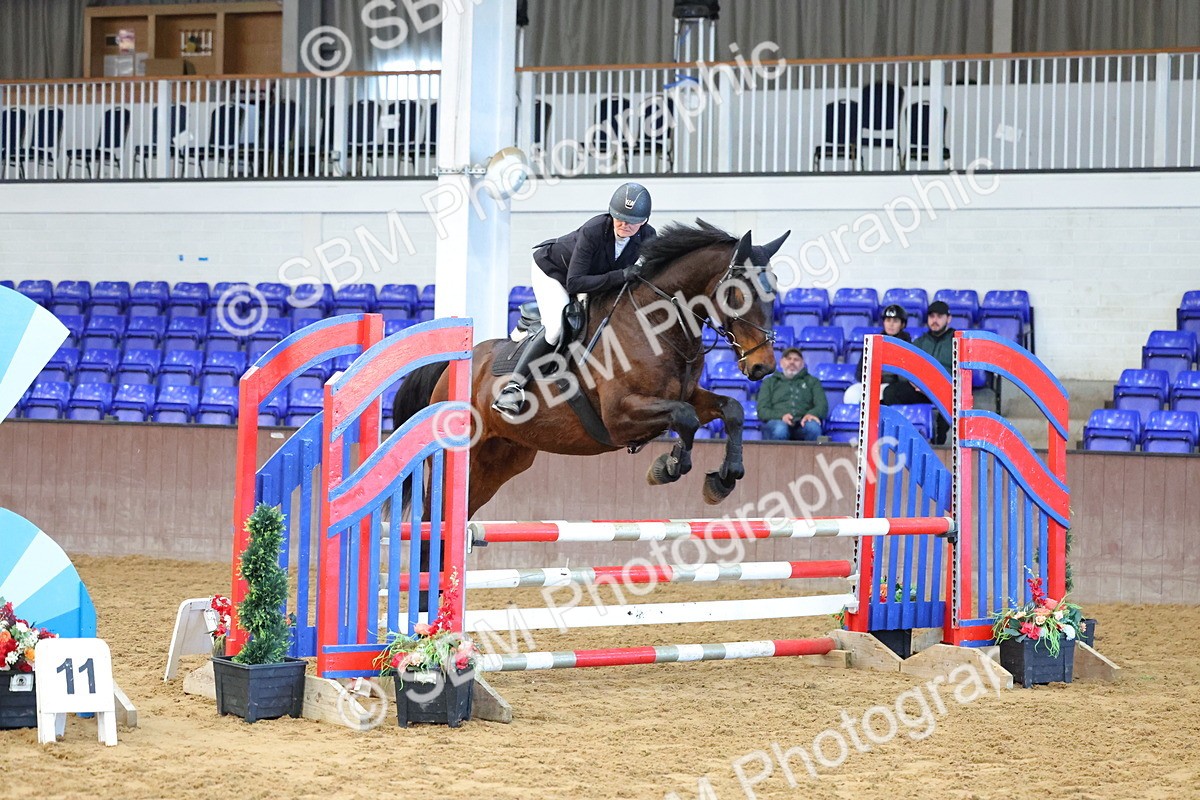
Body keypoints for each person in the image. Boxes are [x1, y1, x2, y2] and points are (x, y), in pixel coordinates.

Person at [492, 182, 657, 416]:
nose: (624, 224)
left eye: (632, 221)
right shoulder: (594, 231)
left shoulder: (649, 237)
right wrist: (621, 276)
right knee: (556, 329)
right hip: (554, 273)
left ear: (644, 221)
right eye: (619, 218)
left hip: (592, 278)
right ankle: (513, 388)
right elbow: (575, 283)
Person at [882, 300, 957, 443]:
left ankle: (940, 445)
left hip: (944, 390)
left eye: (939, 316)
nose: (935, 320)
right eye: (932, 316)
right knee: (890, 392)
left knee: (948, 402)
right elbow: (904, 370)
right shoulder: (919, 342)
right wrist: (915, 383)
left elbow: (962, 373)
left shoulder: (957, 341)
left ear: (948, 318)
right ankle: (897, 436)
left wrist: (937, 384)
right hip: (920, 390)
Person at [844, 303, 912, 405]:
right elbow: (860, 371)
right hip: (871, 384)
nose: (891, 324)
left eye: (895, 321)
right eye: (888, 320)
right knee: (851, 394)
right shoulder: (873, 342)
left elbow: (904, 377)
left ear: (902, 324)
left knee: (883, 395)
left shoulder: (907, 346)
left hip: (891, 386)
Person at [758, 347, 828, 441]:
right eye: (788, 359)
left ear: (802, 363)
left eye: (796, 359)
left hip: (803, 422)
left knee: (813, 428)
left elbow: (822, 406)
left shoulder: (813, 382)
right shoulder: (769, 382)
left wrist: (811, 414)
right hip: (777, 421)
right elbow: (762, 410)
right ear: (781, 362)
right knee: (780, 430)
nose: (792, 362)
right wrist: (781, 416)